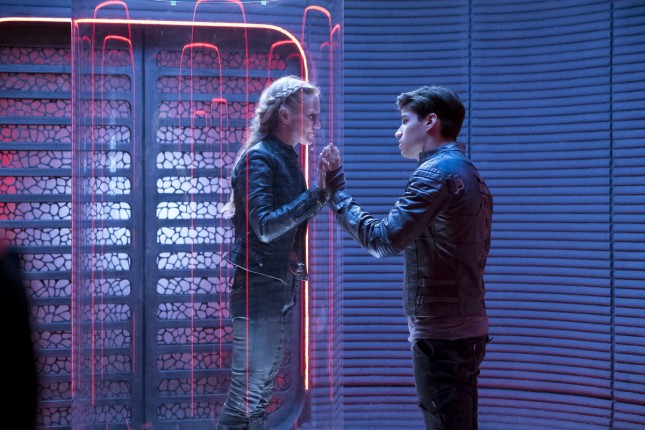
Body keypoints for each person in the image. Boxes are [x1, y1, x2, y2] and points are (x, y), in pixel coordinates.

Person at [319, 85, 493, 430]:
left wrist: (336, 192)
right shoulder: (469, 172)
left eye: (404, 120)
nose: (397, 132)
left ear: (430, 122)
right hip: (464, 330)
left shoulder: (435, 174)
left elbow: (383, 240)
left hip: (443, 336)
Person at [217, 75, 328, 430]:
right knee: (247, 399)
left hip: (273, 286)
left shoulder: (283, 157)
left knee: (257, 395)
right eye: (311, 115)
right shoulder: (260, 158)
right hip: (259, 288)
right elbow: (264, 226)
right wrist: (318, 194)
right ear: (285, 114)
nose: (316, 124)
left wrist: (320, 194)